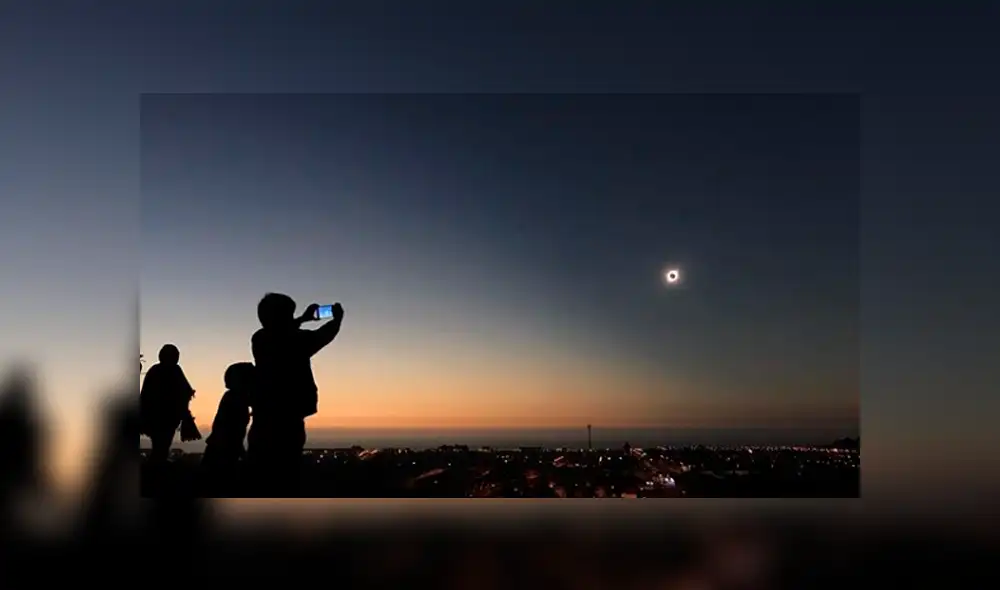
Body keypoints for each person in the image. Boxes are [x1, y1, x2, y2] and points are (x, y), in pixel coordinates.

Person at [247, 293, 344, 495]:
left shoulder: (260, 338)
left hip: (264, 415)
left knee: (259, 473)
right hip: (288, 417)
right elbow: (320, 337)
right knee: (286, 475)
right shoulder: (295, 340)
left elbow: (280, 331)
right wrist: (337, 321)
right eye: (289, 314)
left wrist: (302, 319)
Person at [139, 344, 200, 465]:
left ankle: (158, 463)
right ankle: (158, 465)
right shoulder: (174, 370)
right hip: (165, 415)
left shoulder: (155, 370)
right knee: (162, 443)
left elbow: (145, 395)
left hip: (157, 415)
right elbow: (185, 392)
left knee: (160, 443)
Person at [201, 362, 255, 495]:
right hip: (224, 448)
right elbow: (231, 430)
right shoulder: (236, 399)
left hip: (221, 447)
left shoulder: (232, 397)